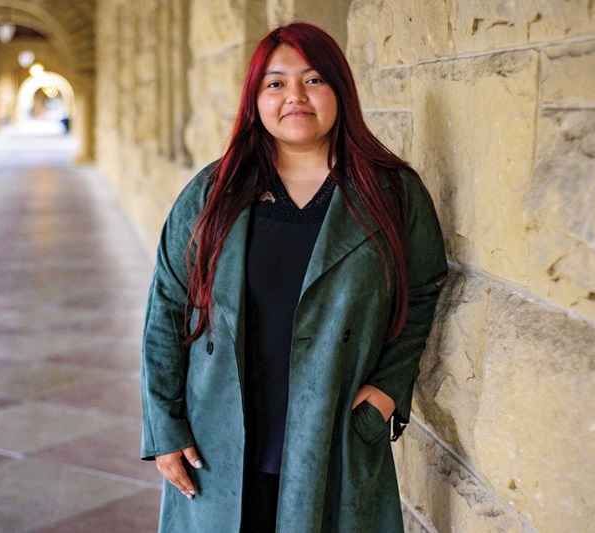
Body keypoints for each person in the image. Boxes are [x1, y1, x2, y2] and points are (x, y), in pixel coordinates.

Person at [140, 21, 447, 533]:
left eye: (314, 80)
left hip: (335, 436)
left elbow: (422, 292)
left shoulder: (391, 193)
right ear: (255, 98)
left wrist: (389, 387)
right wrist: (164, 426)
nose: (295, 97)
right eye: (276, 83)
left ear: (340, 91)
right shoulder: (212, 194)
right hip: (219, 442)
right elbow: (167, 309)